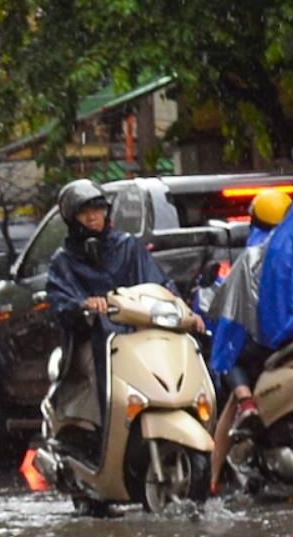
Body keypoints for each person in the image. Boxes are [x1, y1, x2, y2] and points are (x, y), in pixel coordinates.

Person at [43, 177, 200, 445]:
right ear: (71, 219)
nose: (93, 217)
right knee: (104, 380)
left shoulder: (127, 246)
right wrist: (84, 305)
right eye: (84, 212)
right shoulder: (64, 261)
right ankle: (105, 437)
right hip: (94, 340)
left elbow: (159, 284)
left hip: (140, 335)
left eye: (98, 209)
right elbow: (59, 301)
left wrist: (183, 310)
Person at [206, 188, 293, 492]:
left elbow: (228, 313)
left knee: (228, 354)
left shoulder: (249, 258)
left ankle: (213, 477)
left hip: (262, 347)